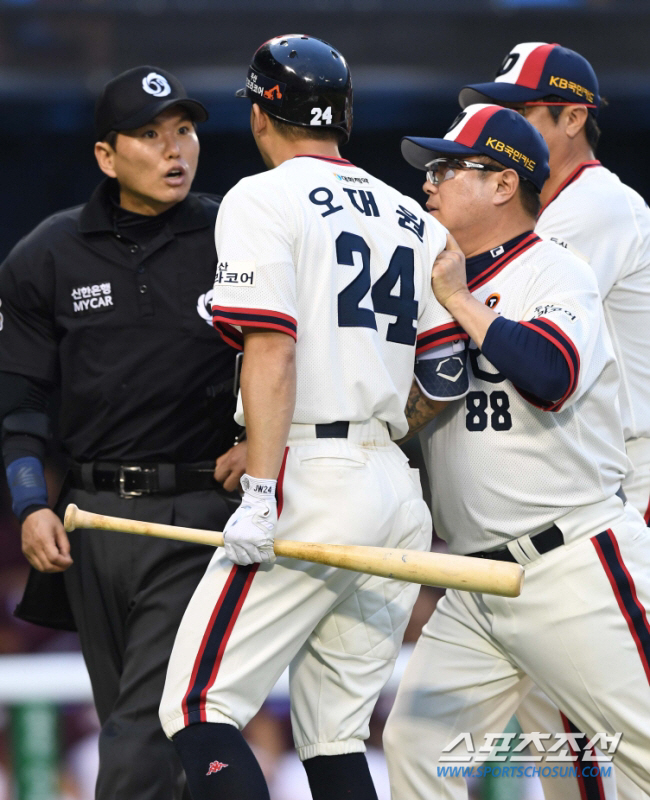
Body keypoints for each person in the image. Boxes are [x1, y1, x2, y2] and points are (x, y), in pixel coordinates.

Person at [158, 34, 469, 800]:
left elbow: (273, 350)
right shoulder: (414, 217)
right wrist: (367, 441)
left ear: (266, 113)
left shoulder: (261, 197)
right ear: (343, 118)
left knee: (199, 705)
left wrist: (267, 484)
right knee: (332, 735)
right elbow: (443, 378)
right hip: (395, 488)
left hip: (308, 483)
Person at [382, 103, 650, 798]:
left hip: (571, 567)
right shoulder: (430, 283)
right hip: (475, 584)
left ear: (504, 184)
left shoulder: (558, 272)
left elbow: (550, 377)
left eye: (446, 168)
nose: (428, 185)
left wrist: (460, 301)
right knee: (414, 748)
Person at [0, 65, 246, 800]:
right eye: (150, 135)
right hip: (92, 522)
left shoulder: (232, 234)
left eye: (185, 131)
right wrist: (27, 502)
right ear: (107, 156)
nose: (176, 151)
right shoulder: (46, 254)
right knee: (141, 730)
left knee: (141, 733)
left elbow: (288, 356)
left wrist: (265, 444)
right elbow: (19, 399)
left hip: (200, 516)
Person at [459, 42, 650, 800]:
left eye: (526, 110)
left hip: (620, 476)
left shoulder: (595, 207)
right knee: (562, 731)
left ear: (574, 117)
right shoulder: (544, 206)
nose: (507, 120)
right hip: (560, 469)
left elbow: (500, 304)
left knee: (600, 727)